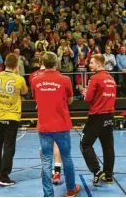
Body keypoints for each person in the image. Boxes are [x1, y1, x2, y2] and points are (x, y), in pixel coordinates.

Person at [31, 51, 81, 197]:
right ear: (56, 63)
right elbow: (70, 100)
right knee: (66, 157)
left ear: (43, 63)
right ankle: (71, 190)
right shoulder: (65, 80)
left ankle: (48, 194)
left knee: (46, 160)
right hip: (61, 125)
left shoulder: (35, 80)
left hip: (44, 126)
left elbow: (37, 100)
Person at [0, 53, 28, 186]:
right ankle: (4, 176)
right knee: (9, 147)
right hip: (12, 117)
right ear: (16, 65)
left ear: (4, 63)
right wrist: (17, 74)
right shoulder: (19, 79)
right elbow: (24, 92)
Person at [79, 54, 116, 186]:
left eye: (92, 63)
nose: (90, 65)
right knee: (108, 147)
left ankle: (97, 171)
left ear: (99, 64)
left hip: (97, 116)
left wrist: (85, 93)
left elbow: (88, 99)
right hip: (110, 116)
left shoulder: (94, 78)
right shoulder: (111, 79)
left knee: (84, 144)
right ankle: (109, 175)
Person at [29, 52, 63, 184]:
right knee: (56, 145)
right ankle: (57, 172)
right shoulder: (59, 76)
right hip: (57, 113)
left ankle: (46, 170)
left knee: (43, 145)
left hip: (42, 113)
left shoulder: (34, 77)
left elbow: (34, 95)